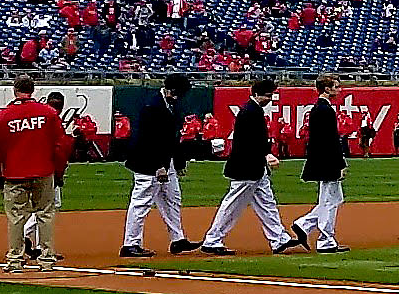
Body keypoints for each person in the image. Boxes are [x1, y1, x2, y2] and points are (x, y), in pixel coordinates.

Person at [0, 81, 68, 271]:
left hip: (14, 173)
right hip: (44, 171)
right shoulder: (48, 113)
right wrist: (58, 171)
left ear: (14, 91)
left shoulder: (2, 116)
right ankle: (47, 259)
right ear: (33, 91)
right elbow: (61, 146)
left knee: (16, 217)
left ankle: (15, 259)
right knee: (45, 214)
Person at [201, 87, 291, 252]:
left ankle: (279, 239)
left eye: (271, 95)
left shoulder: (253, 110)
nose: (269, 98)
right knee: (232, 205)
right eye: (267, 94)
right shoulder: (249, 112)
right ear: (256, 94)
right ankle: (212, 240)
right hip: (245, 168)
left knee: (267, 204)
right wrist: (266, 154)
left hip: (256, 168)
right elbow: (250, 141)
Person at [118, 78, 196, 257]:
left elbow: (172, 137)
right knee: (141, 202)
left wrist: (178, 162)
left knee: (172, 199)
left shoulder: (170, 105)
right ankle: (130, 243)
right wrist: (158, 166)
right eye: (176, 93)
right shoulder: (151, 106)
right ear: (169, 90)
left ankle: (178, 239)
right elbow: (148, 140)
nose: (178, 98)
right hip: (148, 163)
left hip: (166, 162)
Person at [296, 80, 350, 252]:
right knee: (330, 200)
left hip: (322, 160)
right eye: (336, 86)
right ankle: (325, 240)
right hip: (327, 161)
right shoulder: (325, 110)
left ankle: (304, 224)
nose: (339, 90)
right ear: (327, 88)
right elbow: (331, 140)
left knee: (333, 199)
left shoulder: (318, 108)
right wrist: (340, 163)